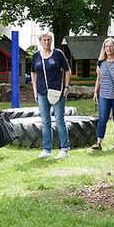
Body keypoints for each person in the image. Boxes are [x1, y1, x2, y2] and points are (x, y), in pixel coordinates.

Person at [30, 31, 71, 159]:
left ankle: (64, 148)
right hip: (42, 92)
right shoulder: (36, 56)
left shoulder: (58, 54)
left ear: (51, 41)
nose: (47, 42)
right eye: (44, 40)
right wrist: (35, 90)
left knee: (59, 120)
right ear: (40, 41)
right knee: (45, 121)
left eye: (49, 40)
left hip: (57, 91)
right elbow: (33, 72)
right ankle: (47, 149)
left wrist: (66, 87)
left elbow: (67, 70)